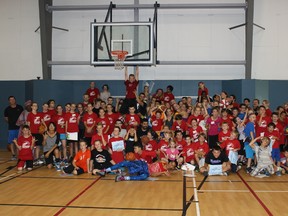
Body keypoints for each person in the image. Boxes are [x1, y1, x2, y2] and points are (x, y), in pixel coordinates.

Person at [4, 96, 24, 160]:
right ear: (9, 101)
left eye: (13, 99)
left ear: (15, 100)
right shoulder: (7, 109)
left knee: (20, 141)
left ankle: (20, 154)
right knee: (12, 142)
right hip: (12, 128)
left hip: (20, 128)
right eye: (10, 100)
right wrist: (11, 123)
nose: (12, 100)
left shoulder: (20, 107)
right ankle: (13, 155)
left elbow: (23, 116)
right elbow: (6, 118)